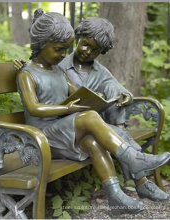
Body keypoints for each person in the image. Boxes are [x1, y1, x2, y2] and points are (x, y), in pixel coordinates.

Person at [16, 9, 170, 215]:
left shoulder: (58, 71)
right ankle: (134, 159)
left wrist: (94, 101)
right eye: (59, 50)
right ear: (42, 44)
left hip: (61, 132)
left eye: (65, 50)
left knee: (94, 142)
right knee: (89, 118)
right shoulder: (27, 74)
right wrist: (68, 108)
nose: (63, 55)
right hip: (42, 135)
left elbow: (78, 92)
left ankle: (115, 197)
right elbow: (34, 108)